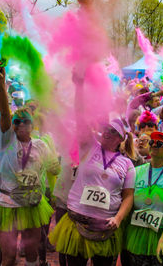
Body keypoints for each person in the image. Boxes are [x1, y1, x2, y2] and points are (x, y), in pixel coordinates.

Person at [49, 71, 136, 266]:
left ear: (120, 139)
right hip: (77, 221)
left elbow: (128, 196)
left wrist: (118, 219)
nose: (107, 133)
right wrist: (79, 86)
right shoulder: (90, 146)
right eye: (106, 129)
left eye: (113, 131)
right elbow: (80, 116)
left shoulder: (127, 164)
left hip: (106, 226)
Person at [0, 62, 55, 266]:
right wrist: (2, 83)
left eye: (26, 121)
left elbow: (49, 171)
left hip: (32, 203)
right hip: (7, 203)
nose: (21, 124)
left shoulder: (40, 145)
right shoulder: (6, 141)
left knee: (32, 254)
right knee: (9, 256)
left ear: (32, 125)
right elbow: (4, 113)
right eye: (17, 121)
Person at [124, 131, 163, 266]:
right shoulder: (137, 171)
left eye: (159, 144)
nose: (153, 145)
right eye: (152, 142)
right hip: (136, 234)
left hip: (162, 235)